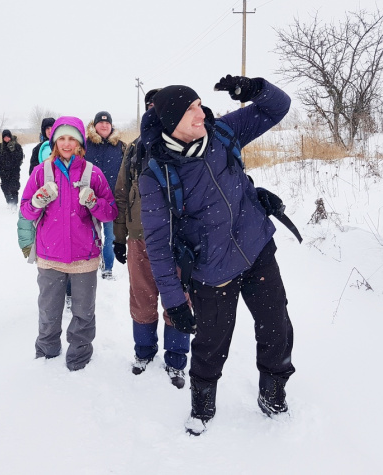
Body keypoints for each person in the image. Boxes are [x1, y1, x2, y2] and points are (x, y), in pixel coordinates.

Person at [139, 76, 295, 436]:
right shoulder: (157, 174)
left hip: (257, 249)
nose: (200, 113)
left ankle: (273, 392)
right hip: (211, 269)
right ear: (170, 124)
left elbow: (278, 108)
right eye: (190, 110)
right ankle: (202, 403)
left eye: (198, 104)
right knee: (211, 344)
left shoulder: (222, 132)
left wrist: (255, 90)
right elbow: (158, 245)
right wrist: (174, 300)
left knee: (277, 328)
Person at [20, 116, 118, 371]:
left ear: (80, 143)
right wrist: (38, 201)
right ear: (54, 142)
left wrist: (94, 202)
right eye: (61, 138)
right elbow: (26, 211)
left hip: (84, 256)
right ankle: (46, 351)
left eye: (71, 138)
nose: (66, 143)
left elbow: (110, 213)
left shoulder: (92, 173)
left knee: (83, 314)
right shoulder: (41, 172)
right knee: (48, 312)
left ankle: (79, 355)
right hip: (50, 255)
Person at [113, 88, 190, 389]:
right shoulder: (134, 149)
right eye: (149, 107)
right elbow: (121, 194)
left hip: (179, 240)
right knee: (142, 297)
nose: (153, 113)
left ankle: (176, 359)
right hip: (140, 238)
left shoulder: (188, 145)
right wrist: (119, 238)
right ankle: (144, 352)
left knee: (179, 299)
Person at [85, 111, 126, 280]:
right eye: (101, 123)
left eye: (107, 123)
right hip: (87, 199)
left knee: (110, 237)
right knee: (89, 235)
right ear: (94, 126)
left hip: (111, 200)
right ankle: (88, 266)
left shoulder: (121, 147)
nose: (104, 125)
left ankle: (107, 268)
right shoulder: (85, 146)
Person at [0, 129, 24, 207]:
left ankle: (14, 204)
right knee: (5, 188)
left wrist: (13, 151)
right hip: (3, 171)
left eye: (8, 137)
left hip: (14, 170)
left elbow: (20, 158)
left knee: (14, 187)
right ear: (2, 138)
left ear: (10, 137)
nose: (7, 139)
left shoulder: (17, 146)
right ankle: (9, 202)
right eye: (5, 137)